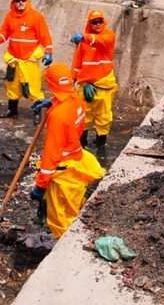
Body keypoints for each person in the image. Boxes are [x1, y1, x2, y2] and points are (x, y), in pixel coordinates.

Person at [28, 64, 106, 239]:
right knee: (73, 203)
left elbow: (51, 154)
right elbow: (66, 100)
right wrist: (52, 102)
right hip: (75, 159)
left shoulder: (58, 117)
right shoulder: (77, 100)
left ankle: (64, 244)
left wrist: (40, 185)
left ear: (50, 85)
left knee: (60, 217)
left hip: (62, 169)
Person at [0, 0, 53, 119]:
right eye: (18, 0)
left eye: (23, 0)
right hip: (14, 58)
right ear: (14, 3)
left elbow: (45, 36)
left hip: (29, 59)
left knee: (33, 87)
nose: (20, 3)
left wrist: (48, 53)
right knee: (12, 86)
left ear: (27, 2)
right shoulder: (10, 17)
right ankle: (12, 110)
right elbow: (4, 32)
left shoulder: (36, 17)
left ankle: (37, 113)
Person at [71, 10, 117, 158]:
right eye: (94, 22)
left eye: (100, 22)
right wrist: (76, 81)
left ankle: (100, 146)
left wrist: (84, 37)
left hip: (104, 85)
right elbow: (77, 64)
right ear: (89, 23)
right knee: (84, 116)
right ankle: (82, 146)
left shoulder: (108, 36)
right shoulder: (83, 44)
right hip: (86, 86)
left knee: (104, 117)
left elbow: (102, 41)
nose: (97, 24)